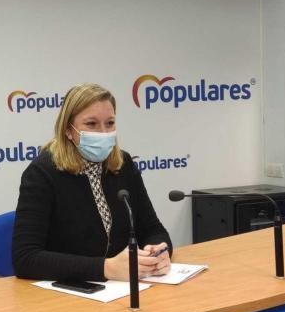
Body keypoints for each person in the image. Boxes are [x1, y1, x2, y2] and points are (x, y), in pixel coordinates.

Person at [12, 82, 173, 282]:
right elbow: (25, 258)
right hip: (69, 292)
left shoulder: (123, 164)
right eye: (91, 124)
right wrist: (106, 268)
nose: (104, 132)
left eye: (110, 123)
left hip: (122, 287)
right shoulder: (42, 172)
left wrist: (159, 251)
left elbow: (152, 229)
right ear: (68, 130)